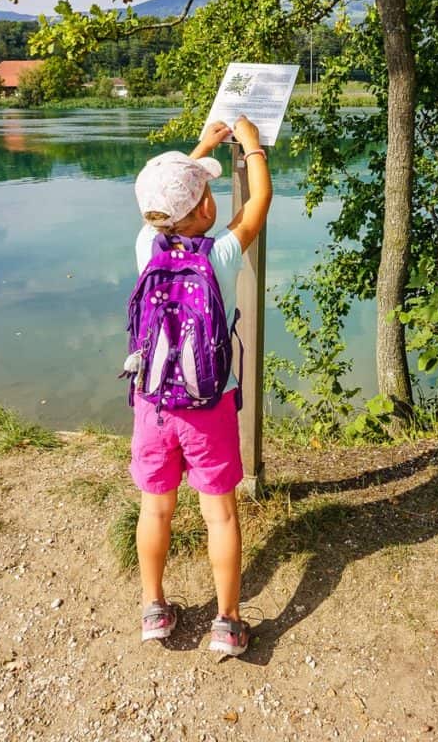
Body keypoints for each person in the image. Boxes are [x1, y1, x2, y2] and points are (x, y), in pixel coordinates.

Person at [129, 116, 272, 657]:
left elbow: (169, 203)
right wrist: (252, 149)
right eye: (206, 190)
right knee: (221, 514)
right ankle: (228, 621)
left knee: (155, 510)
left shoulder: (148, 244)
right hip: (208, 406)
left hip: (153, 405)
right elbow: (257, 205)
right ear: (205, 209)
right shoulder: (217, 256)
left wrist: (202, 149)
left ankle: (154, 609)